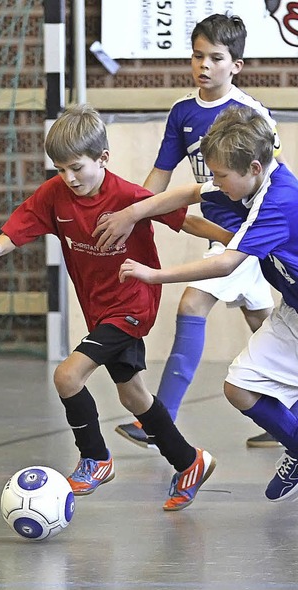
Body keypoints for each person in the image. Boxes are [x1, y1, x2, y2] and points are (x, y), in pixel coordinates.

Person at [0, 104, 220, 511]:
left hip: (132, 303)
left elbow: (185, 220)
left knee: (67, 377)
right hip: (99, 307)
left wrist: (238, 240)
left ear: (102, 158)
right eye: (60, 169)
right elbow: (26, 219)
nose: (69, 178)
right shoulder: (56, 195)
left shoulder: (128, 197)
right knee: (133, 396)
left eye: (77, 167)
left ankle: (96, 459)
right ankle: (189, 461)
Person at [98, 105, 298, 502]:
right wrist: (132, 212)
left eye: (223, 176)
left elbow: (227, 262)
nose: (217, 184)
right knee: (239, 387)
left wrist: (155, 275)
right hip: (292, 310)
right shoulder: (247, 183)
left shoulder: (278, 200)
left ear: (255, 168)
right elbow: (191, 192)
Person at [114, 13, 284, 450]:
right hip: (218, 237)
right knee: (264, 323)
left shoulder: (252, 115)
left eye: (215, 57)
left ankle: (159, 420)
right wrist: (131, 213)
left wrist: (242, 237)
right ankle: (282, 418)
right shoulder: (182, 112)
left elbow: (272, 181)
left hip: (243, 241)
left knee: (192, 302)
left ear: (236, 65)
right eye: (197, 55)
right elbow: (161, 177)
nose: (204, 65)